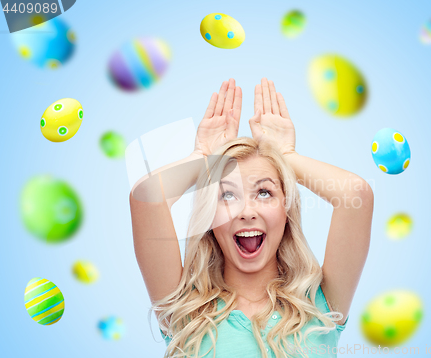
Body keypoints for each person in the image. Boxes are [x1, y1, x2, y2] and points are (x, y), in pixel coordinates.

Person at [129, 78, 374, 358]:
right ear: (210, 216)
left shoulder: (321, 303)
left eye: (264, 192)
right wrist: (203, 157)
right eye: (227, 195)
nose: (247, 212)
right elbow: (146, 197)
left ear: (286, 210)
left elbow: (356, 194)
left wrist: (285, 156)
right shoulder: (185, 310)